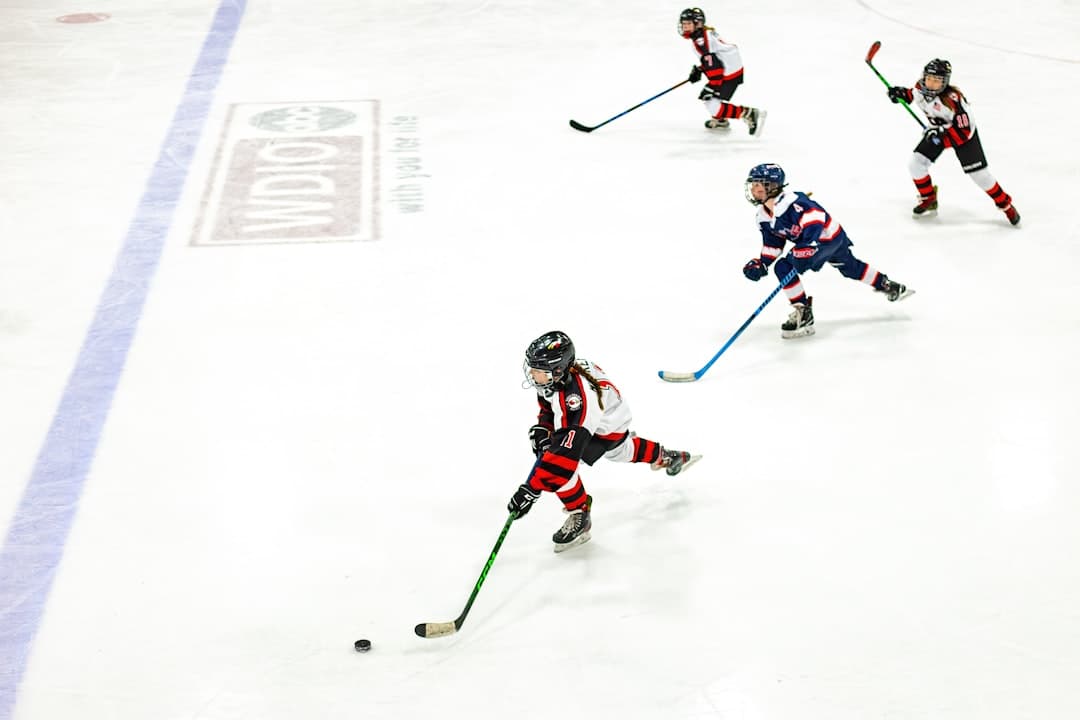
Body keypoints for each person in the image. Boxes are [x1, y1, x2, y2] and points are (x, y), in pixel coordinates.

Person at [508, 331, 700, 552]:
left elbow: (562, 458)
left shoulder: (577, 402)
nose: (531, 373)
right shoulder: (561, 376)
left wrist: (532, 489)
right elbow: (550, 402)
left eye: (537, 370)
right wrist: (545, 426)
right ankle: (666, 456)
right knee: (622, 451)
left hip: (605, 428)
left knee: (563, 470)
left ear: (557, 370)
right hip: (608, 417)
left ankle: (580, 514)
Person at [741, 163, 914, 339]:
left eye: (758, 184)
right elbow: (774, 243)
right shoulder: (763, 216)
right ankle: (886, 284)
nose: (754, 189)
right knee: (850, 268)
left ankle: (803, 312)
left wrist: (807, 247)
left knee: (784, 267)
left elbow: (816, 219)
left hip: (825, 240)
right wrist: (763, 263)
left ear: (772, 186)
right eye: (753, 184)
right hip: (826, 240)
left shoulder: (794, 204)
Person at [886, 59, 1020, 225]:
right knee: (916, 163)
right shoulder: (920, 89)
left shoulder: (953, 101)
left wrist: (942, 133)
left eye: (936, 80)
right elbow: (913, 95)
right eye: (929, 78)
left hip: (963, 137)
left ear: (945, 82)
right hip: (937, 133)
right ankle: (928, 198)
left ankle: (1005, 205)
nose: (931, 83)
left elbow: (964, 132)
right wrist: (900, 94)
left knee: (979, 176)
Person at [678, 7, 766, 136]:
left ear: (698, 24)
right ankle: (720, 119)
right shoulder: (702, 34)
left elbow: (715, 67)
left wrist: (711, 86)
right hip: (730, 67)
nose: (685, 27)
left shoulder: (700, 41)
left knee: (711, 103)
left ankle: (748, 113)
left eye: (689, 23)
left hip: (729, 72)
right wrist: (700, 69)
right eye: (684, 23)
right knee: (712, 98)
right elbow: (714, 59)